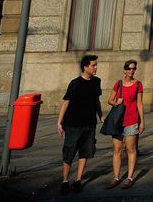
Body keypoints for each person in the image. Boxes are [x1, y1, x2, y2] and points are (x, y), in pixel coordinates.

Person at [56, 54, 103, 194]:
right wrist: (59, 121)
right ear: (85, 67)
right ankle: (65, 180)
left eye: (96, 65)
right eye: (93, 65)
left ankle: (78, 180)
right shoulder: (75, 83)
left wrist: (101, 115)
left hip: (89, 123)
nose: (95, 68)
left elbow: (96, 101)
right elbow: (66, 102)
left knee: (85, 152)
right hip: (73, 124)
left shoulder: (97, 82)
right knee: (69, 152)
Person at [105, 59, 145, 189]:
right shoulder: (119, 84)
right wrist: (116, 102)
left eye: (134, 68)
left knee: (130, 150)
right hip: (118, 121)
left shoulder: (138, 84)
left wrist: (142, 122)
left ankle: (129, 177)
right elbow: (109, 100)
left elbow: (139, 103)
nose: (131, 71)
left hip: (132, 120)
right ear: (124, 70)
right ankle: (116, 177)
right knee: (117, 150)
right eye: (129, 68)